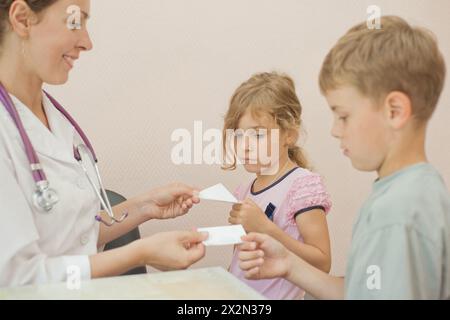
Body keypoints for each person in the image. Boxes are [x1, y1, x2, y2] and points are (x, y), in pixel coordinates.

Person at [238, 16, 450, 299]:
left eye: (343, 116)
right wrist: (288, 265)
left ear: (395, 111)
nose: (335, 130)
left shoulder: (396, 211)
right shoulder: (418, 190)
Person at [0, 0, 207, 287]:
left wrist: (144, 207)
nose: (87, 42)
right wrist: (138, 253)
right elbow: (18, 278)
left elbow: (73, 235)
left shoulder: (54, 117)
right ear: (22, 19)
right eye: (75, 21)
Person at [223, 72, 332, 299]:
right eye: (239, 136)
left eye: (258, 135)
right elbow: (239, 263)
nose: (245, 146)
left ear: (289, 135)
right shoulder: (244, 190)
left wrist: (266, 228)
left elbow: (322, 263)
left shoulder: (302, 186)